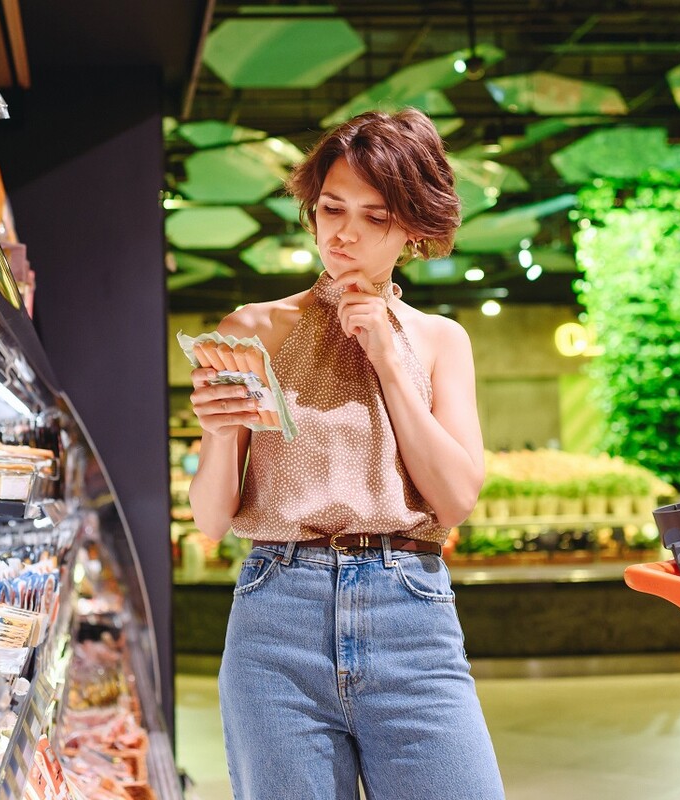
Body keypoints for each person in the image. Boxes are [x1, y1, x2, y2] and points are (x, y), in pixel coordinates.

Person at [187, 108, 504, 800]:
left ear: (414, 228)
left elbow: (455, 500)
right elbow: (211, 522)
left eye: (375, 216)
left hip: (410, 610)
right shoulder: (254, 330)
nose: (345, 233)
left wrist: (389, 359)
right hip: (278, 616)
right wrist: (215, 432)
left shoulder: (439, 340)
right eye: (331, 208)